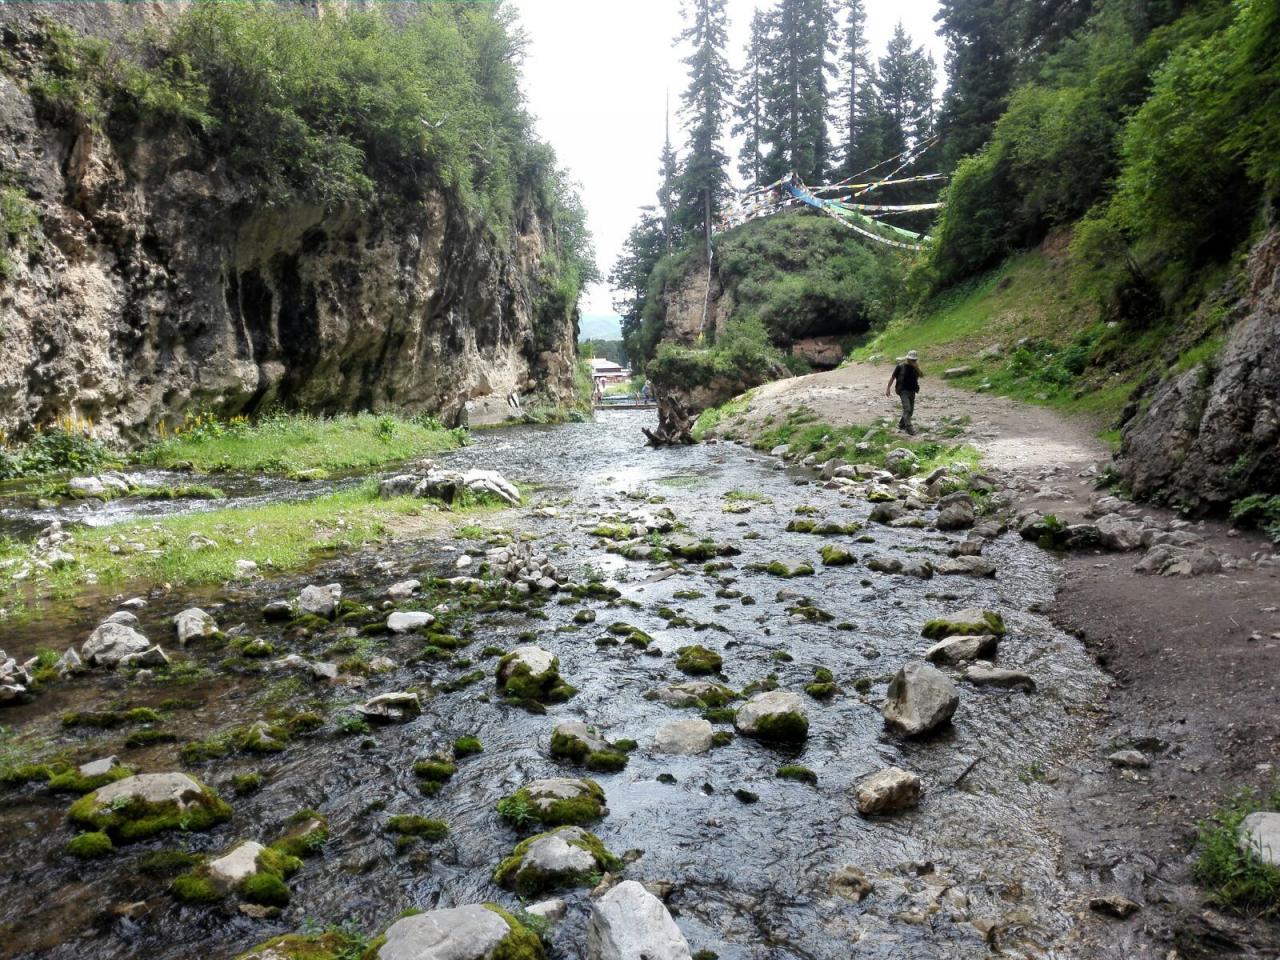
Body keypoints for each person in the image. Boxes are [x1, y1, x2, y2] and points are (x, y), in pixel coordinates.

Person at [885, 350, 922, 435]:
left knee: (910, 411)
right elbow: (892, 378)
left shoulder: (916, 367)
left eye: (914, 360)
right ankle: (909, 428)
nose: (913, 361)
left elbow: (922, 375)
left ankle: (901, 424)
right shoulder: (900, 367)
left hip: (912, 390)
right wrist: (888, 388)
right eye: (911, 360)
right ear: (907, 359)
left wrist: (916, 367)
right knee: (907, 409)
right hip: (902, 390)